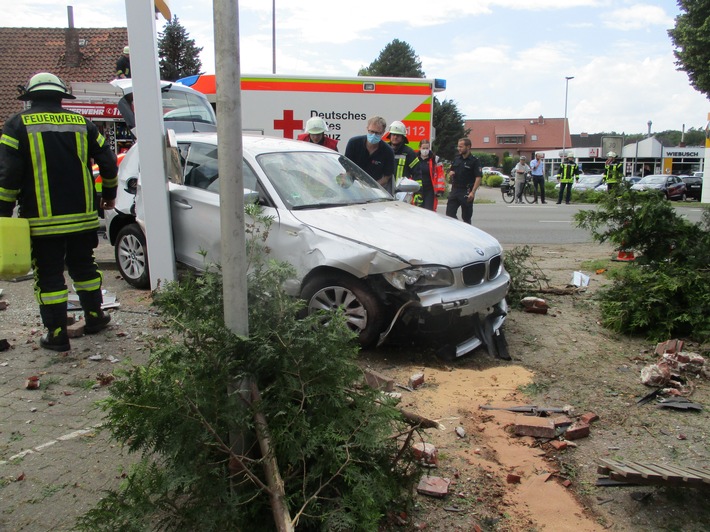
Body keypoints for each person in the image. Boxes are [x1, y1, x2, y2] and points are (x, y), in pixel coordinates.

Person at [0, 73, 118, 351]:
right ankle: (94, 317)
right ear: (60, 96)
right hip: (83, 217)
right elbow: (109, 162)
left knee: (50, 275)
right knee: (85, 267)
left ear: (30, 97)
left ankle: (56, 334)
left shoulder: (17, 125)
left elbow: (8, 176)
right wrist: (109, 195)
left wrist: (3, 212)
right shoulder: (83, 124)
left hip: (43, 222)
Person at [344, 116, 395, 192]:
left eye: (377, 133)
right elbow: (346, 167)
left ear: (383, 132)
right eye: (371, 131)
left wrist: (371, 188)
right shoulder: (354, 143)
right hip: (352, 188)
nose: (374, 135)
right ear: (367, 129)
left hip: (375, 191)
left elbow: (386, 177)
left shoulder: (388, 151)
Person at [446, 138, 482, 224]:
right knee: (449, 214)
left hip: (466, 191)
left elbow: (478, 177)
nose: (459, 148)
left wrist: (473, 192)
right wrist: (450, 174)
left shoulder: (474, 161)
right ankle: (458, 228)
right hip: (455, 190)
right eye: (458, 146)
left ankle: (466, 232)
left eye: (461, 147)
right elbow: (451, 171)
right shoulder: (457, 159)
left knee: (466, 217)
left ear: (468, 147)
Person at [386, 120, 419, 187]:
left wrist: (418, 193)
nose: (395, 137)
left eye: (398, 135)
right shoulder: (383, 150)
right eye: (393, 134)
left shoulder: (409, 153)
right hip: (385, 190)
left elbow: (417, 174)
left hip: (403, 192)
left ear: (403, 137)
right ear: (390, 136)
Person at [411, 139, 437, 210]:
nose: (425, 150)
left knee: (429, 210)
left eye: (427, 148)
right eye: (423, 148)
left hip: (429, 189)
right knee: (417, 210)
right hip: (417, 189)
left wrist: (439, 190)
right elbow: (411, 173)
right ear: (420, 148)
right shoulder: (415, 158)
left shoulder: (434, 159)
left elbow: (439, 174)